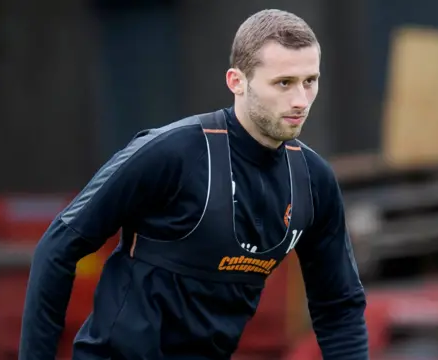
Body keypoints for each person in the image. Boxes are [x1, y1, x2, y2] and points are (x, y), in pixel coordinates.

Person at [19, 9, 368, 360]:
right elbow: (57, 248)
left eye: (310, 81)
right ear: (237, 81)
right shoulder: (171, 153)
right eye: (284, 82)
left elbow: (339, 304)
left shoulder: (313, 180)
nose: (300, 100)